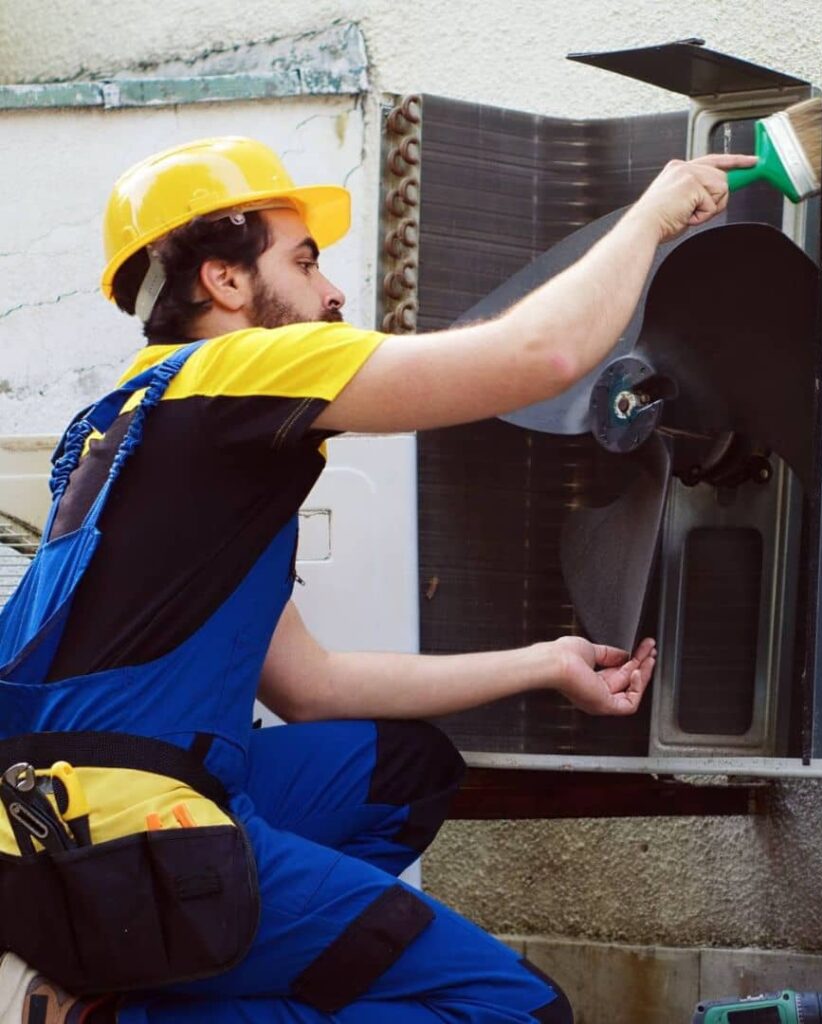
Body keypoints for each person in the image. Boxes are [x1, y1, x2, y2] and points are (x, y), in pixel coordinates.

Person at [0, 136, 753, 1024]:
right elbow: (541, 356)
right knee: (517, 1012)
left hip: (48, 824)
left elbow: (312, 689)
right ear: (226, 283)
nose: (332, 293)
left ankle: (181, 976)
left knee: (401, 767)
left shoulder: (122, 425)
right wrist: (656, 216)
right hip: (137, 832)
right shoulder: (240, 370)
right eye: (305, 259)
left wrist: (545, 663)